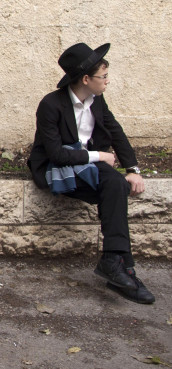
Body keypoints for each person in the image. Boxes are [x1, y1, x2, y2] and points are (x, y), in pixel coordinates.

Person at [28, 42, 153, 304]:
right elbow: (56, 154)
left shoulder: (96, 100)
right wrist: (100, 156)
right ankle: (124, 268)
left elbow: (114, 130)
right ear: (86, 79)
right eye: (103, 76)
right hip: (57, 168)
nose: (107, 81)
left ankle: (116, 263)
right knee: (113, 188)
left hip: (85, 165)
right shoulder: (51, 105)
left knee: (117, 184)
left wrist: (133, 169)